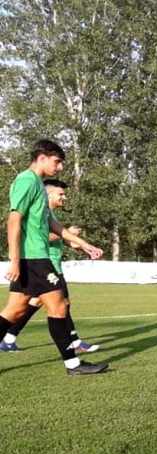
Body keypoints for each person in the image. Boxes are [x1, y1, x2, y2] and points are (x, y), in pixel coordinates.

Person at [0, 140, 107, 374]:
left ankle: (73, 365)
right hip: (33, 258)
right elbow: (13, 220)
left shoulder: (37, 184)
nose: (59, 168)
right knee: (59, 306)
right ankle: (73, 365)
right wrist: (15, 260)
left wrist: (85, 245)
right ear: (41, 157)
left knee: (15, 311)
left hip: (35, 258)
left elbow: (53, 224)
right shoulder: (26, 180)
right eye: (57, 162)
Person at [1, 179, 99, 353]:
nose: (64, 197)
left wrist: (81, 245)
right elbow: (38, 237)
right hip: (42, 265)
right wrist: (67, 235)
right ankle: (74, 346)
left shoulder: (49, 214)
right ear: (48, 194)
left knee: (25, 306)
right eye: (61, 194)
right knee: (60, 304)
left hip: (47, 264)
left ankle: (9, 338)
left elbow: (58, 235)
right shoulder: (35, 209)